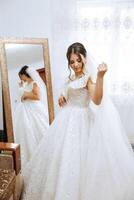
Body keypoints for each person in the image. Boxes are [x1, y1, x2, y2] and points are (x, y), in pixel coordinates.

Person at [21, 43, 134, 200]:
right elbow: (69, 93)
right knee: (60, 159)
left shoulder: (88, 78)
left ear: (84, 59)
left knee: (81, 160)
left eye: (78, 60)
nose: (75, 65)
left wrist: (100, 77)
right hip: (66, 119)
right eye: (72, 61)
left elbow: (97, 99)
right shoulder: (70, 78)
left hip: (82, 120)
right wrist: (63, 97)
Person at [14, 65, 49, 169]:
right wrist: (21, 89)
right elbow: (22, 96)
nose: (21, 78)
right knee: (25, 131)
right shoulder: (25, 83)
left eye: (21, 76)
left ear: (25, 74)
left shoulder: (34, 83)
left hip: (33, 109)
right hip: (24, 109)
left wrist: (26, 95)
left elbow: (37, 97)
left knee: (36, 128)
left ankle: (41, 154)